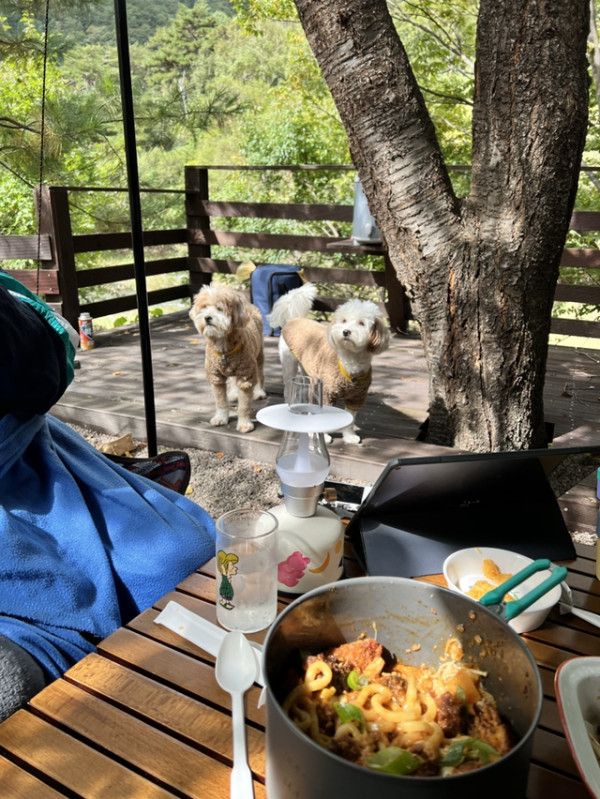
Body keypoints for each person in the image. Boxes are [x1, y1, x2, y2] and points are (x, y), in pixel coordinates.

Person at [0, 272, 216, 720]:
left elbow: (48, 351)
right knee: (171, 560)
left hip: (30, 426)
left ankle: (127, 482)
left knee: (177, 558)